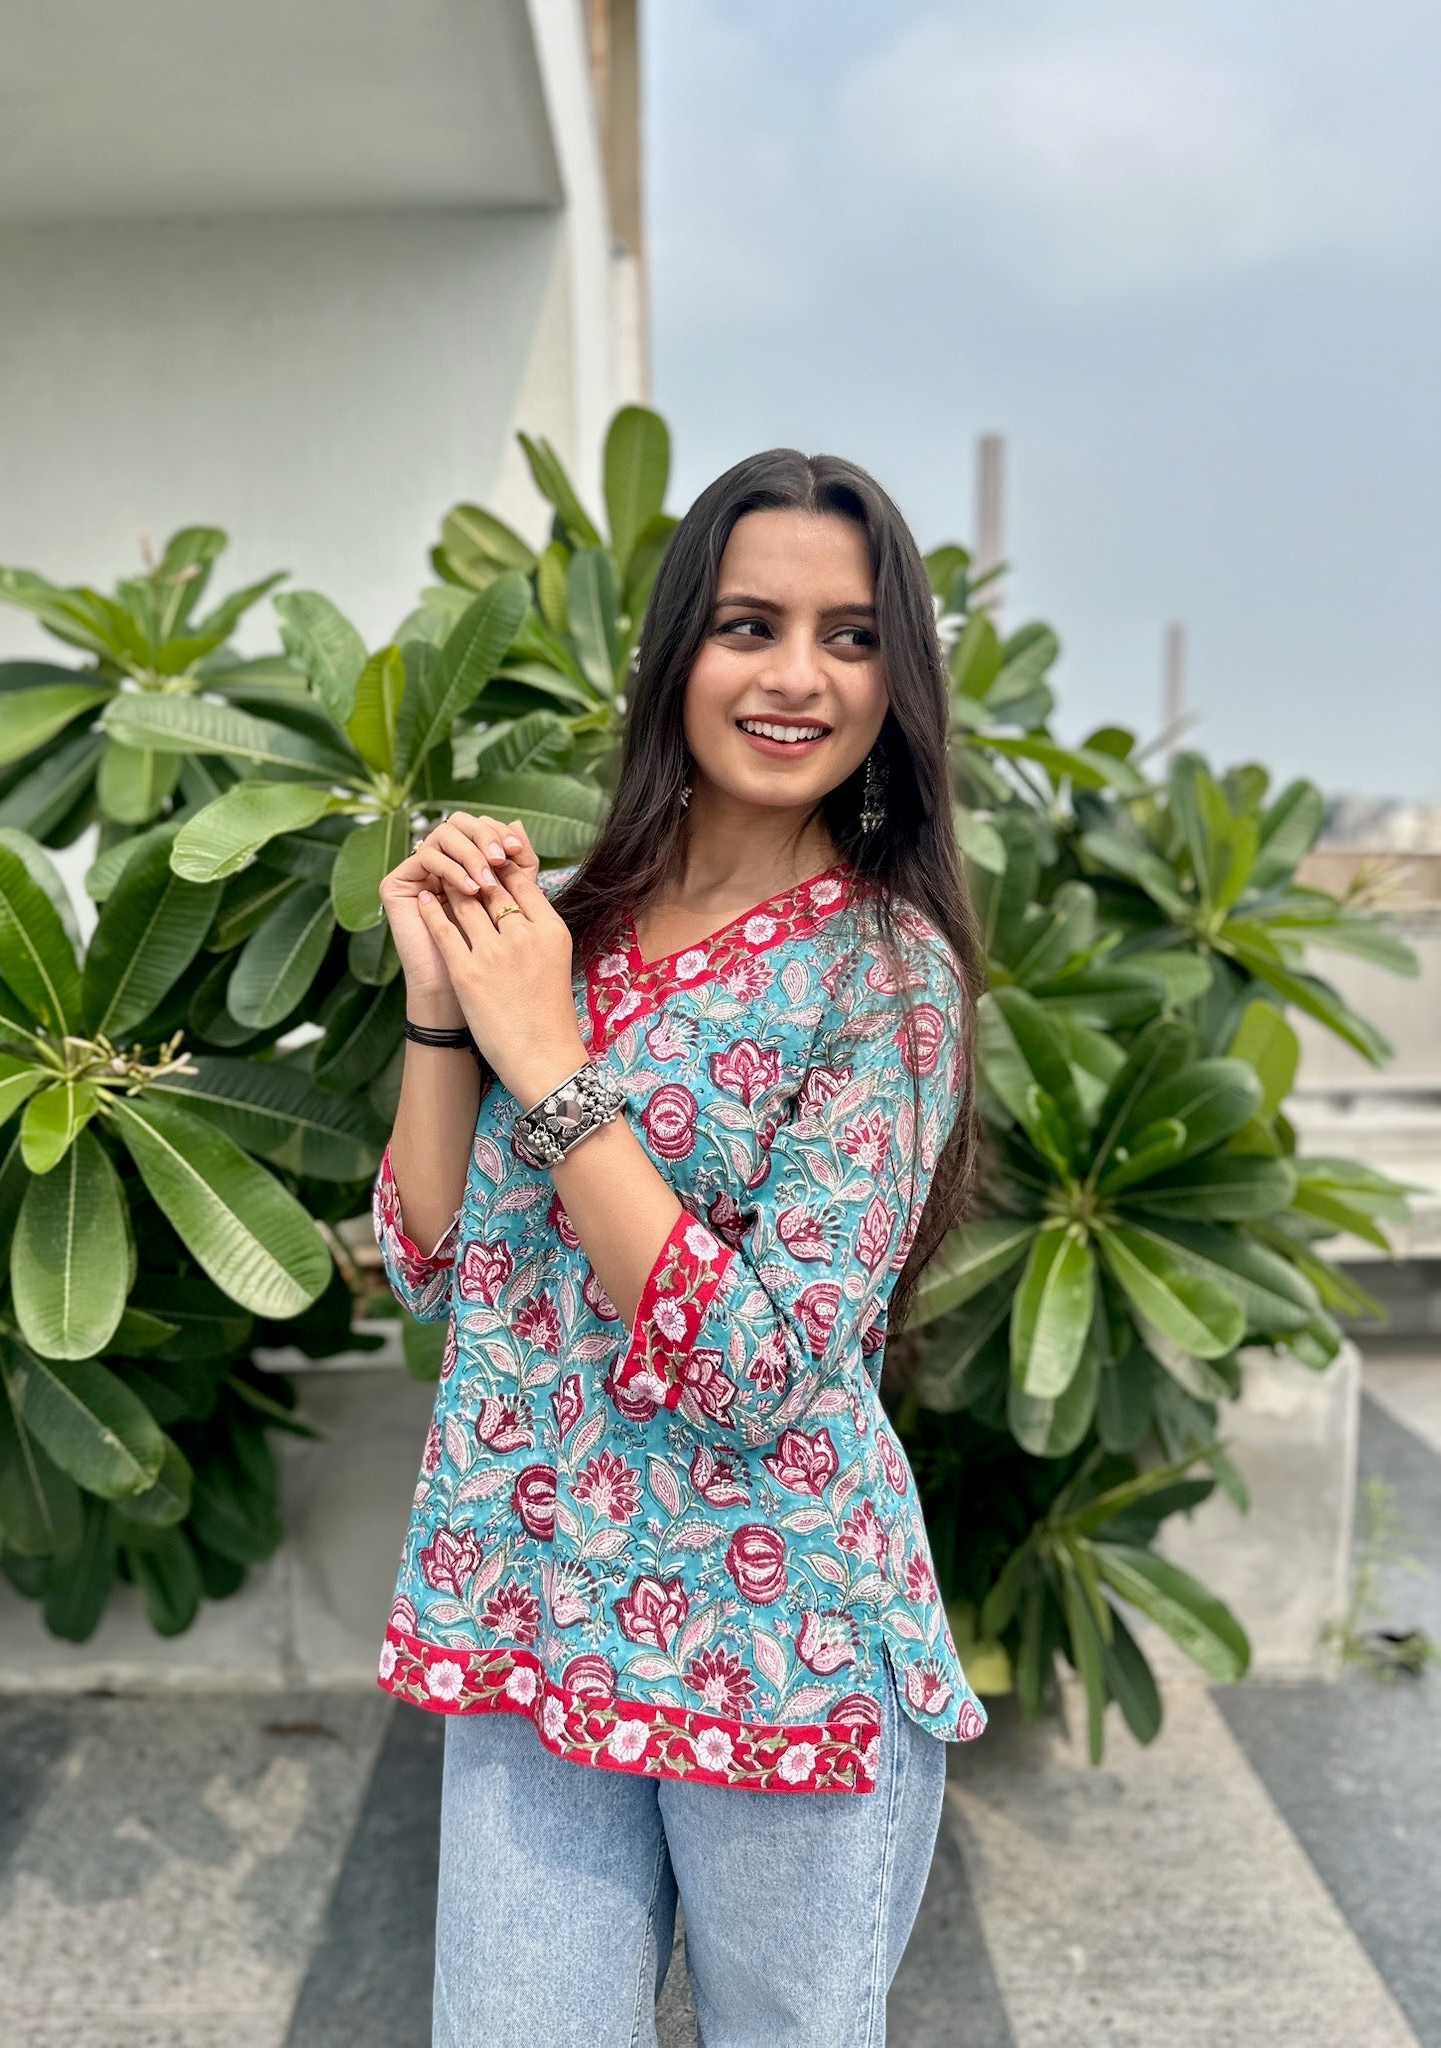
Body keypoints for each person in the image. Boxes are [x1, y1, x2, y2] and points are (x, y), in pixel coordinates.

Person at [375, 448, 987, 2048]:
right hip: (536, 1611)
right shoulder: (560, 927)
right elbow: (432, 1264)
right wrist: (447, 1007)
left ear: (896, 684)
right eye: (749, 626)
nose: (798, 677)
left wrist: (549, 1065)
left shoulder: (886, 979)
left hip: (777, 1636)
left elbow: (762, 1369)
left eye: (852, 637)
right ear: (674, 654)